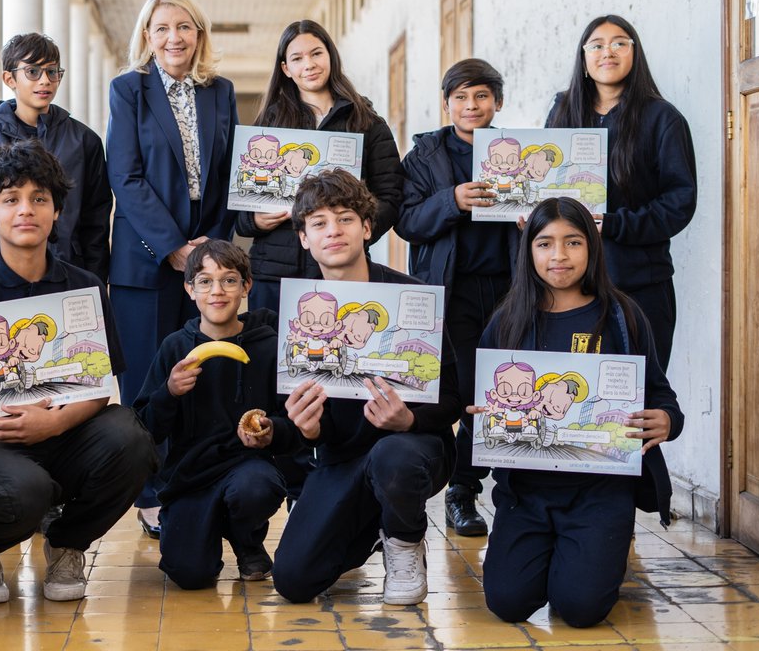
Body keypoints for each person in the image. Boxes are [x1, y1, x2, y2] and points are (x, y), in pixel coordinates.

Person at [0, 140, 157, 605]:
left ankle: (68, 543)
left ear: (56, 211)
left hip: (61, 432)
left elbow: (100, 386)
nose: (26, 210)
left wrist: (55, 421)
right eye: (11, 199)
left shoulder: (85, 288)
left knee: (131, 437)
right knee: (26, 491)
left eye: (39, 199)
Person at [471, 196, 683, 628]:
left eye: (573, 242)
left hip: (600, 493)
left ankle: (596, 553)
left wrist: (666, 421)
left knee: (581, 609)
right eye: (545, 244)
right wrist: (481, 423)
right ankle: (557, 553)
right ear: (528, 250)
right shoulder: (507, 321)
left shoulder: (623, 316)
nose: (559, 256)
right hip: (525, 493)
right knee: (508, 603)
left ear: (592, 249)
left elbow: (661, 396)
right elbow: (480, 407)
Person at [271, 170, 459, 606]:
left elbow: (453, 398)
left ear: (367, 227)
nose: (333, 231)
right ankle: (375, 524)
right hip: (341, 459)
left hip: (412, 448)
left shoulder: (413, 298)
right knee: (293, 580)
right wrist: (308, 430)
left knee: (393, 455)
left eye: (345, 218)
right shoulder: (294, 314)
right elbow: (292, 420)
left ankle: (405, 541)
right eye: (318, 223)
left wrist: (410, 418)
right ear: (303, 238)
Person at [106, 0, 239, 537]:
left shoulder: (221, 91)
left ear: (199, 34)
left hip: (205, 260)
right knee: (147, 379)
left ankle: (193, 478)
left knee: (203, 372)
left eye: (184, 27)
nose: (174, 38)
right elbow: (126, 176)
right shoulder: (127, 90)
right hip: (146, 261)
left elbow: (232, 172)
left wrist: (211, 246)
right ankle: (149, 492)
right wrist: (174, 248)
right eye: (161, 28)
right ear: (147, 36)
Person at [395, 58, 517, 536]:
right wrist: (453, 201)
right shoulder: (424, 158)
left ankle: (500, 488)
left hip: (512, 288)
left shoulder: (519, 151)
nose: (472, 106)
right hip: (451, 289)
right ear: (447, 104)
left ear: (497, 102)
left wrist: (533, 217)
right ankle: (461, 491)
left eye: (482, 96)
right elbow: (406, 222)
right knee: (469, 392)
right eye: (462, 97)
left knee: (508, 387)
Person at [133, 239, 292, 589]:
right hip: (192, 474)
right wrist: (169, 392)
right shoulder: (175, 347)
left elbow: (290, 420)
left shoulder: (268, 344)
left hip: (249, 467)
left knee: (255, 489)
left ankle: (246, 539)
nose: (217, 291)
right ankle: (201, 531)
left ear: (246, 286)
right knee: (190, 575)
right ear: (190, 289)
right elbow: (147, 429)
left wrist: (271, 430)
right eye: (205, 281)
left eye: (229, 280)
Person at [546, 15, 697, 374]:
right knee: (575, 397)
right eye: (596, 45)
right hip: (572, 285)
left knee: (636, 395)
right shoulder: (563, 111)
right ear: (583, 57)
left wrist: (615, 225)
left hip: (639, 284)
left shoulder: (663, 118)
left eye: (619, 43)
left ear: (634, 52)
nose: (607, 52)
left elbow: (680, 200)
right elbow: (548, 187)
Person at [236, 20, 402, 314]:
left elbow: (390, 196)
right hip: (275, 273)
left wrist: (353, 235)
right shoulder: (267, 126)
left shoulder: (367, 122)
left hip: (343, 270)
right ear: (286, 68)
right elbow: (240, 208)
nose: (309, 65)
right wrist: (254, 221)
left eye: (316, 54)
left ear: (331, 57)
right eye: (297, 59)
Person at [0, 33, 110, 281]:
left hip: (66, 278)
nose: (45, 80)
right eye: (33, 72)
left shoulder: (85, 141)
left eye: (52, 72)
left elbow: (95, 226)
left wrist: (92, 284)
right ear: (9, 78)